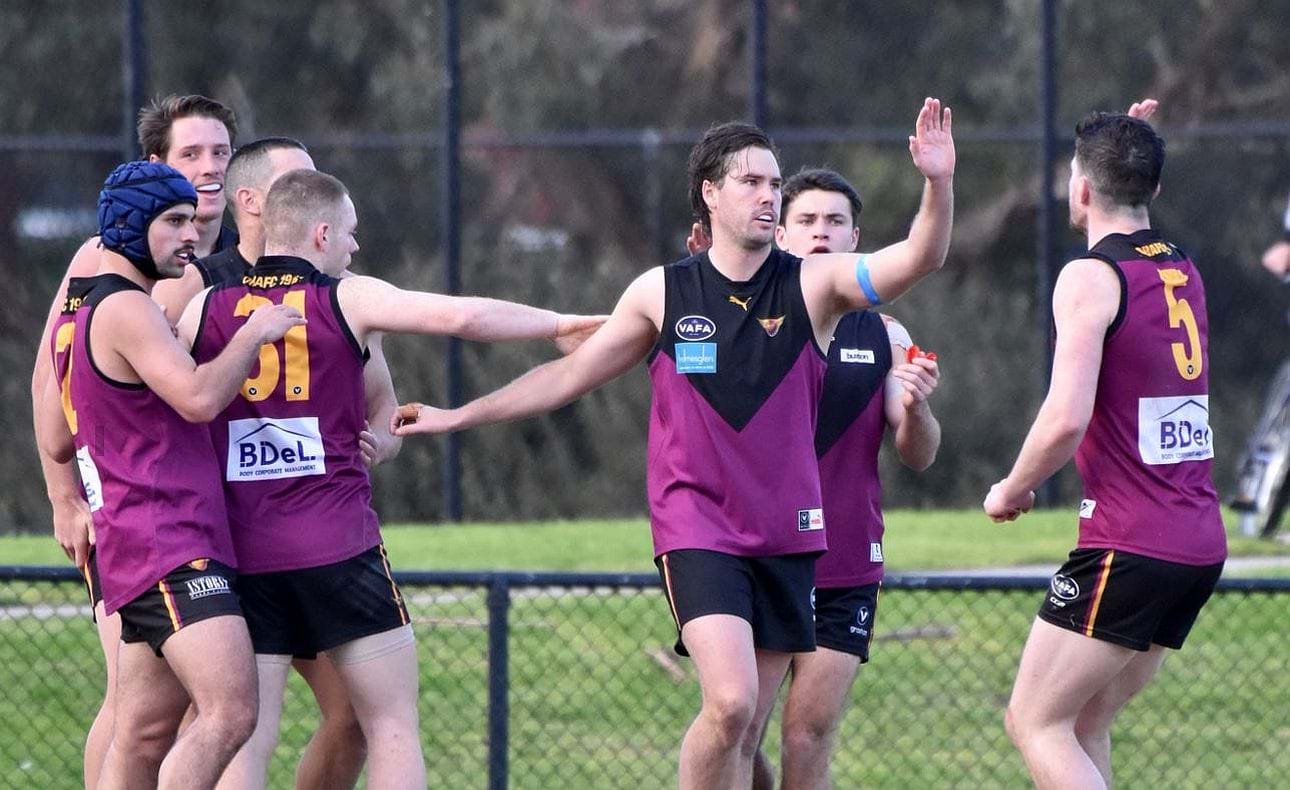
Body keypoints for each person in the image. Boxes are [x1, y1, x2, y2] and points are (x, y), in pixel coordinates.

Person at [391, 97, 956, 788]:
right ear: (710, 193)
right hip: (699, 524)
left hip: (790, 531)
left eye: (775, 184)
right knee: (730, 703)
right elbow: (568, 375)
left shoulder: (814, 284)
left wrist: (937, 183)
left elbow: (918, 258)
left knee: (747, 735)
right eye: (752, 182)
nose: (769, 196)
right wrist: (459, 415)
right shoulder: (662, 292)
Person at [178, 169, 605, 790]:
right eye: (349, 234)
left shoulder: (202, 307)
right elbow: (462, 317)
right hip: (339, 547)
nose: (354, 248)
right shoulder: (345, 296)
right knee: (392, 726)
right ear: (321, 234)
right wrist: (560, 323)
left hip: (244, 553)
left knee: (244, 736)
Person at [984, 104, 1227, 789]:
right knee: (1085, 720)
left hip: (1131, 543)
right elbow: (1124, 166)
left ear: (1082, 191)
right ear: (1154, 188)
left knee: (1033, 721)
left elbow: (1065, 417)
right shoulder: (1182, 268)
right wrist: (1127, 135)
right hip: (1195, 542)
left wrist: (1013, 487)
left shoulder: (1089, 277)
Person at [47, 160, 304, 789]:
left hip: (141, 545)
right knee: (231, 711)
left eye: (193, 218)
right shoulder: (127, 308)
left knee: (142, 736)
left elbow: (55, 433)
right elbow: (196, 398)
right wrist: (253, 334)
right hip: (170, 547)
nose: (192, 234)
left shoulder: (84, 313)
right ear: (130, 225)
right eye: (174, 221)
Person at [29, 94, 242, 788]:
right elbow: (196, 396)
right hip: (157, 532)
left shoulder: (115, 297)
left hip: (166, 528)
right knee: (211, 713)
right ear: (153, 171)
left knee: (151, 726)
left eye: (219, 152)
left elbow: (72, 426)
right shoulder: (114, 282)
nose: (207, 169)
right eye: (190, 155)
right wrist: (65, 498)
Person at [196, 137, 392, 789]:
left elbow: (382, 402)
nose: (314, 190)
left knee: (359, 719)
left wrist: (383, 438)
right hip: (236, 545)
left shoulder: (341, 293)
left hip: (325, 540)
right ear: (252, 200)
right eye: (298, 180)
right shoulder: (204, 291)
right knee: (216, 720)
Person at [753, 168, 941, 789]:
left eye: (835, 223)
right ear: (780, 234)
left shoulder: (886, 334)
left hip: (847, 564)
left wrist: (917, 408)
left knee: (807, 737)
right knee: (735, 731)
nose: (820, 234)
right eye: (805, 221)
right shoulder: (745, 324)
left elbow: (919, 453)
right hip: (760, 559)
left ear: (855, 238)